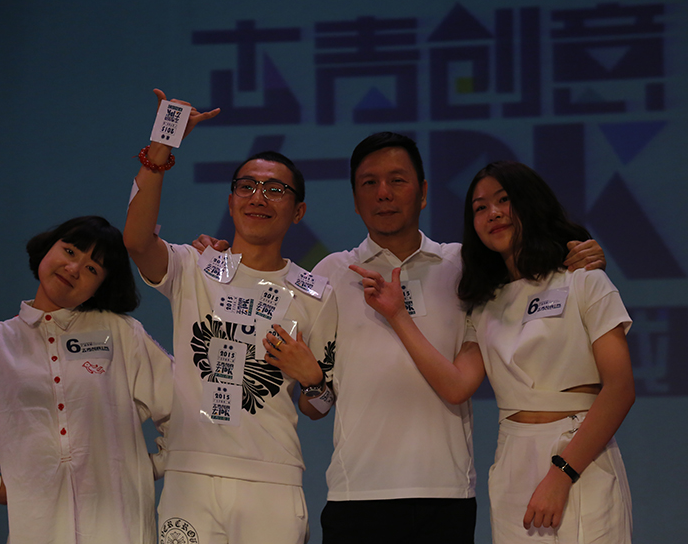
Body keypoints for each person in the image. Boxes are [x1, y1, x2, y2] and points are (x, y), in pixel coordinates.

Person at [194, 132, 604, 543]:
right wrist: (314, 382)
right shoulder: (330, 275)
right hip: (355, 496)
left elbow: (529, 274)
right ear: (355, 201)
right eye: (369, 183)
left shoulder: (465, 267)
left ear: (422, 193)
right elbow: (315, 406)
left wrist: (580, 255)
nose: (383, 193)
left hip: (446, 495)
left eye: (397, 180)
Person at [351, 160, 634, 543]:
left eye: (504, 200)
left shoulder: (584, 280)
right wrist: (399, 316)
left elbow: (620, 388)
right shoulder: (485, 304)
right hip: (513, 460)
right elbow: (456, 386)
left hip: (580, 456)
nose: (493, 214)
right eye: (480, 207)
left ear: (530, 203)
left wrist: (562, 472)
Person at [124, 90, 337, 544]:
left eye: (275, 190)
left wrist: (313, 379)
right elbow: (137, 241)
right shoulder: (193, 267)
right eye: (247, 187)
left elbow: (319, 407)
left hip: (272, 478)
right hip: (189, 475)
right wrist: (162, 144)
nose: (259, 197)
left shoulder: (316, 295)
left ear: (298, 211)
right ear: (231, 200)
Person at [0, 215, 173, 544]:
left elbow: (184, 407)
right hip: (37, 529)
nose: (73, 269)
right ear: (48, 248)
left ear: (101, 285)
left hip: (120, 528)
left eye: (92, 269)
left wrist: (147, 468)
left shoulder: (121, 333)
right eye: (70, 251)